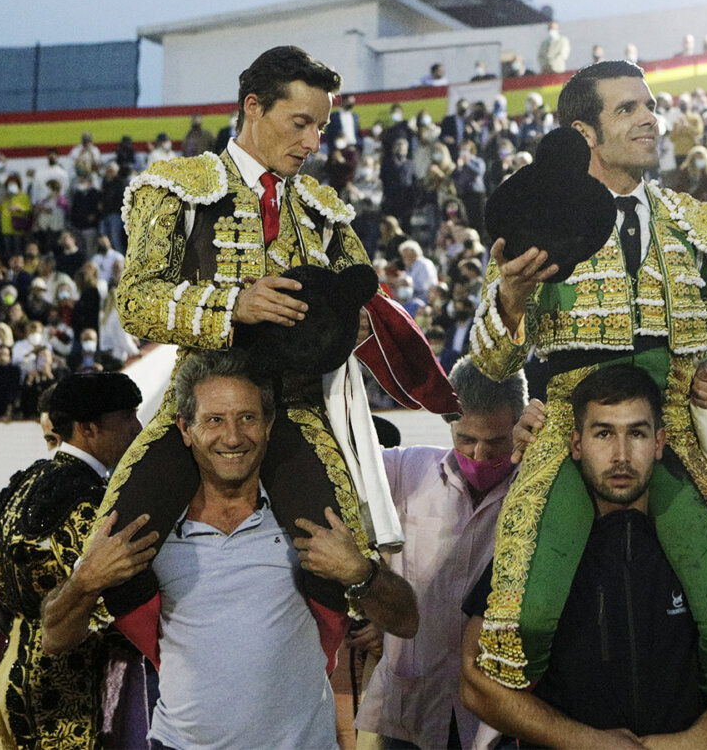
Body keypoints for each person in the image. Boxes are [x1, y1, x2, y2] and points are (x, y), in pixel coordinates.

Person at [97, 45, 452, 644]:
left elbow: (368, 306)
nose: (314, 141)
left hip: (295, 407)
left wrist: (354, 327)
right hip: (201, 405)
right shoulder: (177, 188)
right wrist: (233, 305)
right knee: (111, 544)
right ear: (253, 108)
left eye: (321, 126)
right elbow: (135, 301)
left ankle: (301, 682)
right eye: (301, 123)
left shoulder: (323, 212)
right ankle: (173, 666)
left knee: (343, 554)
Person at [469, 60, 707, 706]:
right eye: (627, 109)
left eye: (650, 105)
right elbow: (491, 366)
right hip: (570, 436)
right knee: (518, 625)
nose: (649, 119)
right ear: (584, 133)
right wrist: (512, 302)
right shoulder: (535, 220)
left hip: (675, 434)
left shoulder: (692, 226)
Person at [41, 351, 418, 750]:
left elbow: (407, 621)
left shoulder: (309, 523)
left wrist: (360, 572)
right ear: (185, 429)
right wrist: (85, 581)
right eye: (214, 420)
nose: (233, 437)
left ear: (269, 424)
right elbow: (54, 637)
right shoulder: (151, 533)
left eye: (247, 418)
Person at [461, 366, 707, 748]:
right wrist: (590, 743)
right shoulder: (537, 543)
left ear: (660, 442)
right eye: (604, 434)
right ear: (576, 444)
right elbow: (474, 680)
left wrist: (694, 741)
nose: (621, 455)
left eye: (637, 433)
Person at [355, 359, 526, 750]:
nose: (480, 455)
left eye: (497, 442)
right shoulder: (404, 470)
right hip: (409, 713)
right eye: (466, 438)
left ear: (520, 426)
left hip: (496, 719)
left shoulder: (539, 490)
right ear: (449, 421)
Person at [0, 374, 147, 749]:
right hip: (65, 689)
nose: (138, 428)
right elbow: (108, 603)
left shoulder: (26, 481)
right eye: (126, 417)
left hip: (11, 670)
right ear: (87, 428)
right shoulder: (94, 500)